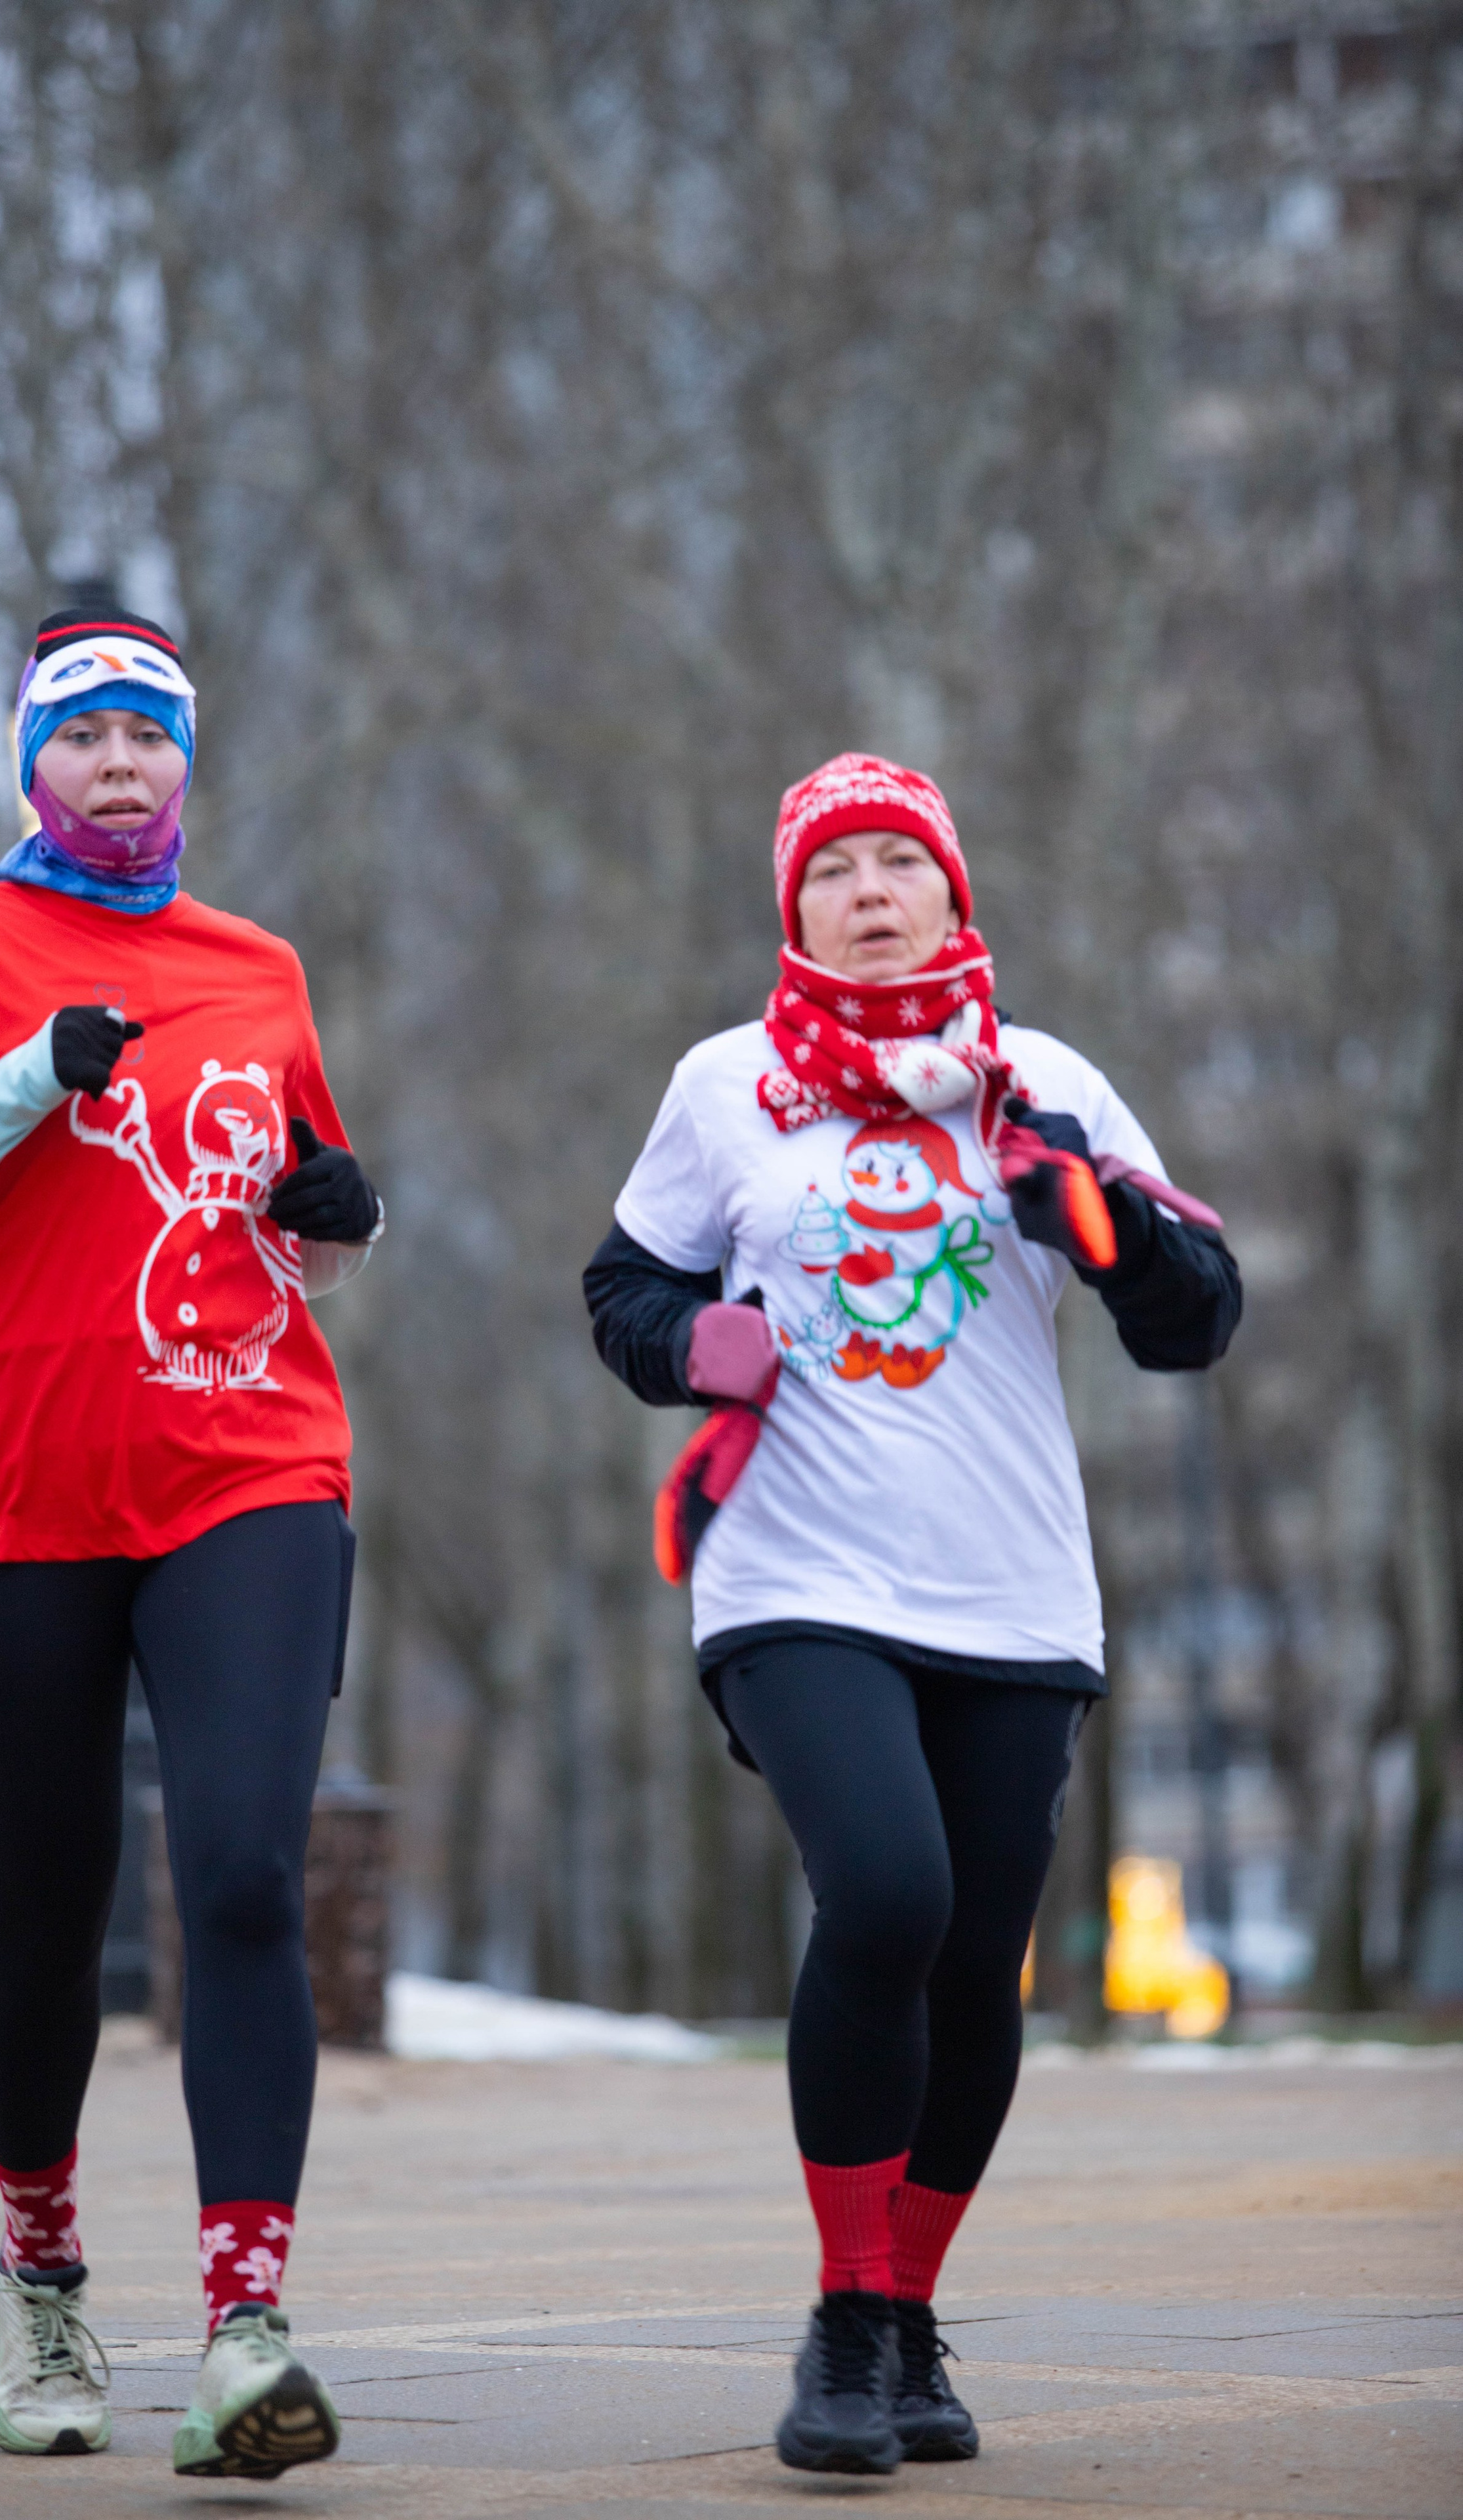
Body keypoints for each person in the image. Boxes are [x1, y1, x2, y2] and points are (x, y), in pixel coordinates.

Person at [585, 753, 1240, 2476]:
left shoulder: (1046, 1082)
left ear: (953, 894)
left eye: (898, 863)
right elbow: (625, 1285)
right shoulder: (723, 1087)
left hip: (1011, 1588)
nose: (869, 893)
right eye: (834, 871)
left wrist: (1100, 1225)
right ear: (794, 912)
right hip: (794, 1574)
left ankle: (906, 2318)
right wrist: (689, 1342)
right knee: (886, 1892)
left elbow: (1196, 1317)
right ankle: (846, 2317)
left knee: (972, 1957)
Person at [0, 608, 384, 2480]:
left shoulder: (257, 967)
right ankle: (41, 2276)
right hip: (6, 1504)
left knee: (245, 1880)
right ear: (32, 765)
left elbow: (282, 1226)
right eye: (83, 735)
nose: (120, 764)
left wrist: (340, 1220)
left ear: (185, 763)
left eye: (150, 734)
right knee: (49, 1922)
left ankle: (246, 2334)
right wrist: (22, 1084)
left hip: (246, 1470)